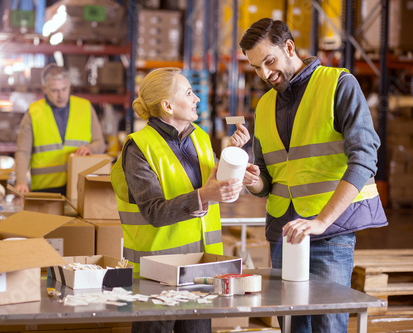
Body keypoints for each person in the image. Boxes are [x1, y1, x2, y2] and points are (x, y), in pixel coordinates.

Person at [232, 18, 388, 332]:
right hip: (282, 233)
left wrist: (321, 221)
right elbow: (268, 178)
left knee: (327, 325)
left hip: (327, 234)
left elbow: (365, 158)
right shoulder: (264, 106)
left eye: (269, 61)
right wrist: (255, 180)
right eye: (255, 68)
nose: (264, 74)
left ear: (289, 47)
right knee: (291, 327)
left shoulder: (338, 85)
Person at [111, 67, 246, 333]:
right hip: (156, 274)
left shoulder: (201, 138)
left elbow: (213, 187)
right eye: (189, 92)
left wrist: (236, 163)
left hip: (200, 269)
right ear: (167, 105)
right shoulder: (138, 147)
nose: (197, 99)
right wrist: (204, 195)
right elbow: (154, 211)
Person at [15, 63, 106, 195]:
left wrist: (90, 149)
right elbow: (23, 152)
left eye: (64, 89)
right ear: (44, 88)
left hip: (79, 184)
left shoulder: (85, 107)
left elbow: (100, 144)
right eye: (55, 90)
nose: (61, 95)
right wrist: (21, 181)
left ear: (69, 85)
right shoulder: (33, 113)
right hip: (45, 187)